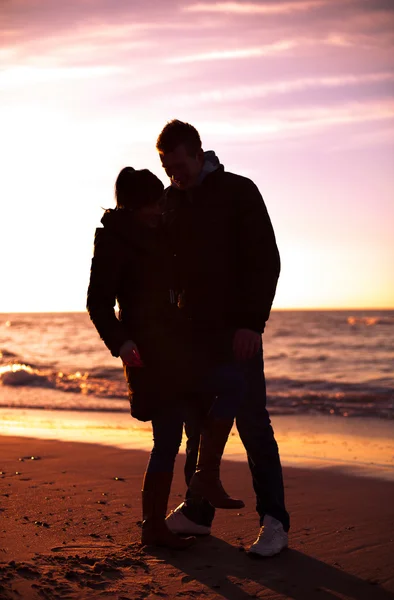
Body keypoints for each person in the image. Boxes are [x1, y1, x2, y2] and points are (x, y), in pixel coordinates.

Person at [87, 166, 246, 550]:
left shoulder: (161, 232)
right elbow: (97, 303)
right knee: (167, 438)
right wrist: (121, 344)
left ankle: (203, 476)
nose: (161, 208)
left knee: (233, 383)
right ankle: (154, 526)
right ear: (135, 205)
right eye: (154, 202)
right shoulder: (113, 241)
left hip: (179, 349)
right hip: (147, 353)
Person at [155, 120, 290, 557]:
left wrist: (252, 323)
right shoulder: (169, 201)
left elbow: (266, 259)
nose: (174, 174)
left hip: (238, 332)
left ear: (199, 153)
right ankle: (198, 513)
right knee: (198, 423)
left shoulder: (238, 191)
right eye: (165, 166)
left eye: (179, 165)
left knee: (252, 422)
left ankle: (274, 521)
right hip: (191, 337)